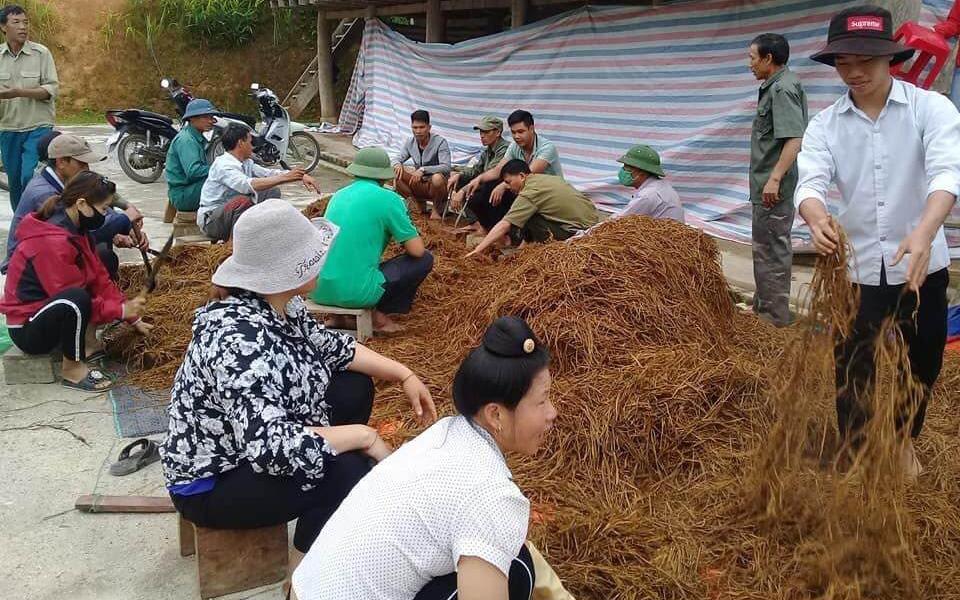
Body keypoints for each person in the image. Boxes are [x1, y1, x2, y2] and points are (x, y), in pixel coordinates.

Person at [159, 199, 436, 563]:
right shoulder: (238, 341)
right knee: (347, 469)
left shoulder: (282, 305)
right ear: (288, 269)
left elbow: (333, 346)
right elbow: (270, 445)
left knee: (353, 386)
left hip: (249, 442)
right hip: (214, 481)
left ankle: (321, 501)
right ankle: (305, 570)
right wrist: (363, 436)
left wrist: (405, 374)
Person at [293, 316, 576, 600]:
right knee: (517, 571)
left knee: (509, 554)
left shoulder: (445, 434)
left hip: (304, 589)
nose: (553, 412)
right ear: (496, 414)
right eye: (542, 401)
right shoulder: (490, 494)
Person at [796, 5, 960, 478]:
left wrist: (925, 232)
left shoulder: (930, 109)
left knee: (924, 355)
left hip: (920, 266)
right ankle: (855, 443)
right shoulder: (825, 124)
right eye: (843, 62)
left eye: (865, 60)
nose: (854, 72)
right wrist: (814, 215)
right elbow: (809, 182)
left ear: (891, 58)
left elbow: (947, 172)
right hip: (858, 269)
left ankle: (905, 438)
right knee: (852, 362)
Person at [0, 171, 152, 391]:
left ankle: (87, 345)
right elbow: (67, 293)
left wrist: (133, 318)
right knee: (76, 299)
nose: (104, 215)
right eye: (102, 209)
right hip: (27, 329)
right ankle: (72, 370)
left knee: (100, 264)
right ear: (82, 204)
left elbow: (100, 277)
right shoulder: (52, 241)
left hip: (46, 313)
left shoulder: (76, 228)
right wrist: (119, 311)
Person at [312, 148, 434, 334]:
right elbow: (416, 250)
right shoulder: (390, 199)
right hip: (357, 293)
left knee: (345, 258)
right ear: (384, 176)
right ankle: (380, 317)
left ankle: (338, 318)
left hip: (319, 288)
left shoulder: (338, 195)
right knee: (424, 259)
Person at [2, 134, 148, 279]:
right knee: (103, 256)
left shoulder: (66, 181)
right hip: (27, 270)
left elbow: (97, 207)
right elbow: (76, 234)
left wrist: (125, 229)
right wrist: (122, 221)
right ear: (61, 162)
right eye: (82, 164)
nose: (88, 169)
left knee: (103, 248)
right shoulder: (43, 193)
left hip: (47, 257)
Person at [748, 33, 808, 327]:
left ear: (768, 59)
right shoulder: (775, 86)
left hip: (773, 189)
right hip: (766, 186)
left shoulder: (782, 89)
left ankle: (773, 320)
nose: (750, 64)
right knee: (765, 247)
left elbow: (794, 139)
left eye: (752, 57)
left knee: (771, 250)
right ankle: (764, 307)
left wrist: (774, 179)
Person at [198, 123, 317, 241]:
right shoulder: (224, 165)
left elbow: (268, 174)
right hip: (211, 221)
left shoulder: (246, 162)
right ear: (240, 143)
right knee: (242, 202)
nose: (252, 147)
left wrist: (300, 175)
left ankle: (267, 230)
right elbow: (246, 185)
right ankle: (236, 245)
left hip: (227, 214)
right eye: (250, 142)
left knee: (271, 191)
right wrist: (285, 178)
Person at [461, 110, 564, 235]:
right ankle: (500, 234)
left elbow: (528, 175)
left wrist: (503, 185)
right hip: (525, 191)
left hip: (545, 194)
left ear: (531, 128)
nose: (516, 136)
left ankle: (512, 235)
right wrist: (477, 180)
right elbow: (498, 170)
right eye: (513, 132)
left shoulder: (547, 148)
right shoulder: (514, 146)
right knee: (482, 191)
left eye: (521, 132)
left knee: (498, 188)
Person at [467, 160, 598, 257]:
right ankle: (522, 248)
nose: (508, 187)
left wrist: (478, 250)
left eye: (508, 182)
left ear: (522, 176)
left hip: (579, 235)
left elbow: (505, 224)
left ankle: (545, 252)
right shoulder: (545, 179)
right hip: (595, 226)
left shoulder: (530, 193)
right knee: (528, 213)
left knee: (526, 216)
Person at [0, 4, 58, 211]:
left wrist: (18, 92)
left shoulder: (41, 53)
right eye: (16, 22)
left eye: (25, 22)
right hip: (8, 130)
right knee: (15, 183)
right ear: (3, 27)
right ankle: (22, 227)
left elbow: (51, 89)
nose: (23, 27)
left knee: (29, 176)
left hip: (38, 127)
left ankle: (37, 220)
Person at [447, 115, 510, 225]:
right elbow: (476, 170)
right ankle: (475, 222)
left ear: (498, 132)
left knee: (477, 192)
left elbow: (489, 174)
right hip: (487, 185)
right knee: (459, 178)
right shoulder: (487, 151)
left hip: (502, 189)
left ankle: (486, 224)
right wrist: (459, 174)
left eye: (486, 132)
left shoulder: (504, 149)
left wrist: (463, 191)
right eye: (481, 132)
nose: (482, 136)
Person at [392, 110, 451, 219]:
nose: (418, 131)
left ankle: (436, 209)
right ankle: (417, 204)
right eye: (415, 127)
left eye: (421, 127)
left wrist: (423, 169)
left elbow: (446, 167)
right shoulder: (410, 142)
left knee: (437, 178)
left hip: (435, 187)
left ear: (429, 127)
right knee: (395, 173)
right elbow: (396, 158)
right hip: (418, 183)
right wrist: (397, 164)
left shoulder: (440, 142)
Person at [165, 98, 216, 214]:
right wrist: (218, 168)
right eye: (206, 117)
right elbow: (194, 171)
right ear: (192, 119)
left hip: (189, 190)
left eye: (211, 117)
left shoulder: (195, 137)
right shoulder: (186, 140)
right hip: (184, 194)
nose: (210, 121)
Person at [615, 144, 684, 223]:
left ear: (642, 173)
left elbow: (617, 222)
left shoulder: (648, 195)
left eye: (627, 167)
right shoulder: (660, 185)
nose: (623, 170)